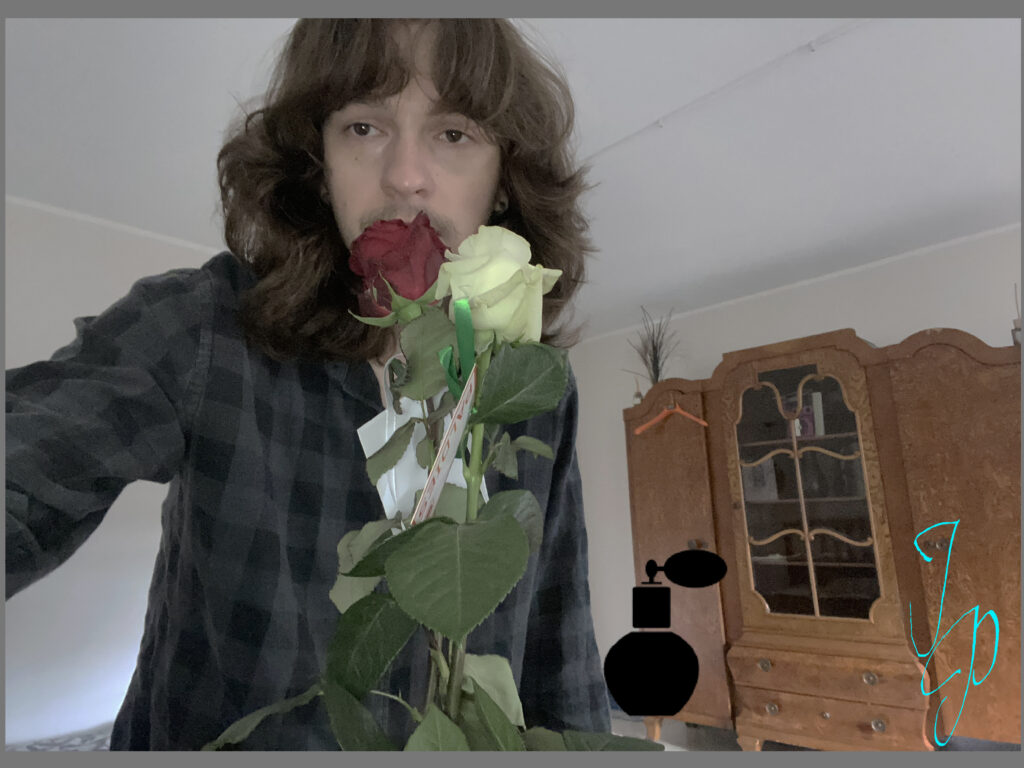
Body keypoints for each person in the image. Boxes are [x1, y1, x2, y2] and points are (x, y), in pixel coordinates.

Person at [5, 19, 611, 750]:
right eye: (363, 127)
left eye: (454, 133)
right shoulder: (204, 327)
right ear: (319, 166)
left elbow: (560, 652)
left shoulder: (534, 389)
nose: (405, 175)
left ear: (503, 180)